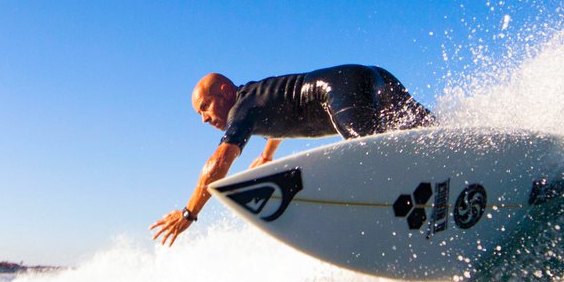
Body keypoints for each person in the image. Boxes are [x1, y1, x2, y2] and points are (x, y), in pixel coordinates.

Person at [150, 64, 433, 246]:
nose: (204, 118)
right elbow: (282, 117)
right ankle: (444, 170)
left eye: (205, 106)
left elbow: (218, 164)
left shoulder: (241, 109)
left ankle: (425, 206)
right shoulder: (254, 100)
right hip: (371, 76)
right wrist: (267, 155)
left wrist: (189, 213)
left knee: (373, 153)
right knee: (431, 133)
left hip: (338, 90)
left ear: (224, 91)